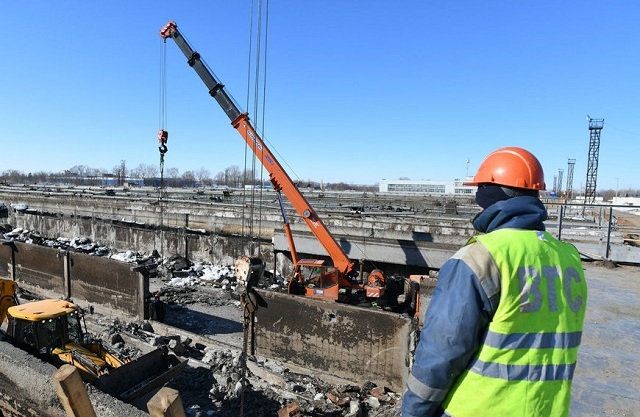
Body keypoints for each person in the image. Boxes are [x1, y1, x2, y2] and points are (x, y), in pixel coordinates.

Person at [402, 147, 588, 417]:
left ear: (492, 197)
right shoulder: (568, 258)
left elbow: (442, 353)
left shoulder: (479, 259)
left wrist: (413, 411)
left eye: (480, 195)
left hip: (479, 408)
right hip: (545, 409)